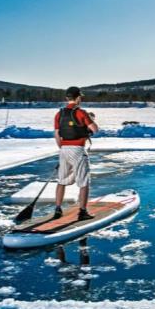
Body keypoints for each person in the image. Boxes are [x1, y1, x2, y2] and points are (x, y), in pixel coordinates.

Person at [53, 86, 98, 221]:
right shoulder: (81, 113)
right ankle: (82, 212)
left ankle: (57, 209)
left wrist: (63, 149)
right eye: (80, 97)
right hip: (78, 149)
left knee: (62, 180)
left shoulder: (59, 114)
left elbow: (57, 135)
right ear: (78, 97)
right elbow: (95, 129)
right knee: (84, 181)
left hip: (63, 149)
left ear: (67, 98)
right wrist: (90, 121)